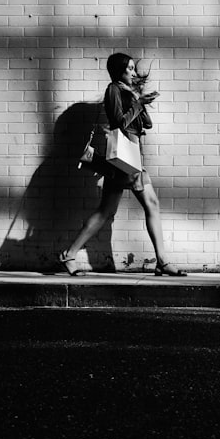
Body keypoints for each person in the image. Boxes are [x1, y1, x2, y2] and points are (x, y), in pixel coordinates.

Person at [59, 53, 187, 277]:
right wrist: (137, 103)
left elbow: (147, 123)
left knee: (140, 206)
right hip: (125, 158)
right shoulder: (113, 90)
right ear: (119, 71)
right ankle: (69, 254)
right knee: (109, 211)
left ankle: (162, 261)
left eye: (133, 69)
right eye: (129, 68)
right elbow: (119, 122)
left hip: (133, 156)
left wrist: (141, 102)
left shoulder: (128, 92)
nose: (133, 72)